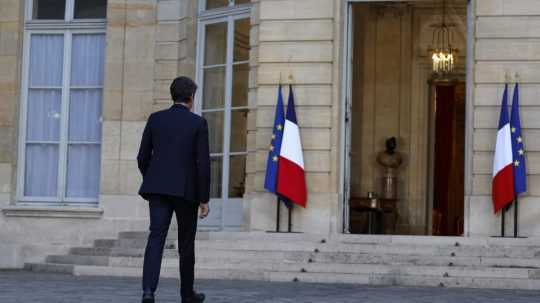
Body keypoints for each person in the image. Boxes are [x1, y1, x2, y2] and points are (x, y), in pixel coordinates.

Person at [137, 76, 210, 303]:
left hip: (157, 189)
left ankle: (149, 291)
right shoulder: (198, 123)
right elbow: (203, 165)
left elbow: (142, 157)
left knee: (156, 238)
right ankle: (186, 295)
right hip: (186, 191)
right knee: (186, 243)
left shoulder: (155, 119)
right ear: (191, 98)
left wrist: (154, 178)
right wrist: (204, 199)